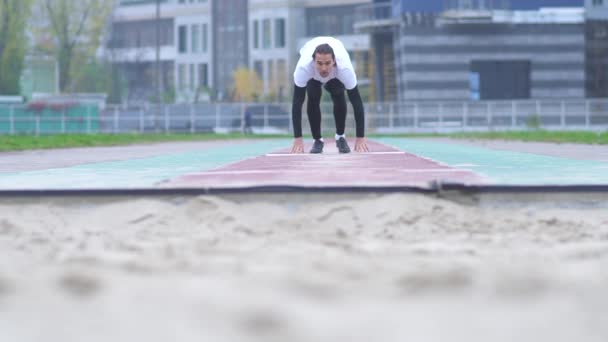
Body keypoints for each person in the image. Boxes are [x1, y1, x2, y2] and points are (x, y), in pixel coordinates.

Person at [289, 36, 369, 154]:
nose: (324, 68)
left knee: (339, 94)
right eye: (319, 63)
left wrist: (360, 137)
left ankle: (340, 136)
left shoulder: (345, 69)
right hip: (313, 76)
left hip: (335, 75)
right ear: (313, 61)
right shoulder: (304, 69)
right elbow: (297, 103)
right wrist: (297, 138)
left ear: (334, 61)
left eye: (327, 63)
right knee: (313, 96)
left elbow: (356, 102)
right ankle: (317, 140)